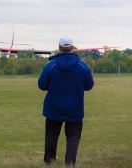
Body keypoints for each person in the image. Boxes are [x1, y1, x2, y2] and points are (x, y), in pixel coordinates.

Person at [38, 36, 94, 166]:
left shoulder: (51, 65)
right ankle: (70, 163)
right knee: (73, 137)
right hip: (75, 108)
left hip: (54, 108)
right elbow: (89, 85)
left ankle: (49, 162)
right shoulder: (82, 66)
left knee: (51, 135)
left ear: (59, 48)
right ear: (73, 48)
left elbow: (42, 85)